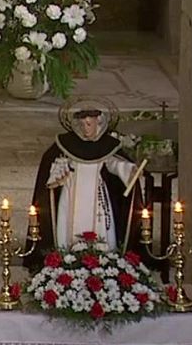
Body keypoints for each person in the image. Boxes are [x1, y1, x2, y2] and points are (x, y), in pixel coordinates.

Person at [25, 102, 149, 271]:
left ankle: (103, 265)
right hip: (72, 193)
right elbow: (57, 165)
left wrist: (129, 170)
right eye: (82, 124)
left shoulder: (107, 144)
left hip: (96, 196)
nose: (85, 128)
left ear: (99, 122)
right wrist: (58, 174)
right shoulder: (67, 143)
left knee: (99, 230)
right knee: (68, 228)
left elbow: (114, 164)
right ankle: (66, 264)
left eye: (89, 124)